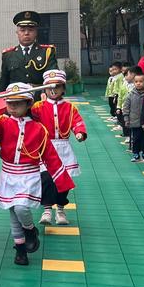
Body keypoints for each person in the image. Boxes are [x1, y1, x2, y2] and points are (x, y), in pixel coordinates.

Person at [0, 82, 74, 266]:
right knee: (13, 212)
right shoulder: (4, 123)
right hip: (8, 174)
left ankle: (30, 230)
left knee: (22, 208)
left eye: (18, 103)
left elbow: (50, 157)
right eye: (9, 103)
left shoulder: (39, 129)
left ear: (29, 104)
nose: (13, 107)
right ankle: (20, 250)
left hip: (28, 175)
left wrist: (62, 179)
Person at [31, 70, 87, 226]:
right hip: (45, 147)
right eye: (49, 87)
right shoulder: (38, 106)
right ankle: (47, 210)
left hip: (63, 147)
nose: (53, 90)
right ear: (44, 89)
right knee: (46, 179)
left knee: (64, 180)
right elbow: (29, 119)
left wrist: (80, 132)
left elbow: (77, 122)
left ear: (63, 88)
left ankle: (60, 210)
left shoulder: (70, 107)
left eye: (57, 87)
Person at [0, 11, 58, 97]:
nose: (26, 33)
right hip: (16, 102)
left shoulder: (46, 52)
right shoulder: (8, 55)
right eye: (22, 30)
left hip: (39, 100)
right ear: (17, 33)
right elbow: (3, 83)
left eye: (30, 30)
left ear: (36, 32)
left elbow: (53, 80)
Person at [123, 73, 144, 162]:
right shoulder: (131, 94)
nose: (138, 83)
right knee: (136, 139)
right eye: (136, 81)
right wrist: (126, 119)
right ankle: (136, 153)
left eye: (141, 81)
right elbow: (126, 107)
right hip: (134, 121)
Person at [116, 66, 143, 143]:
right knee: (125, 122)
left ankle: (134, 137)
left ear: (134, 75)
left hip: (135, 109)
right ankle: (128, 135)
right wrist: (118, 107)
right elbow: (120, 96)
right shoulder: (124, 84)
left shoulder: (138, 86)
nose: (126, 77)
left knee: (135, 123)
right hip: (125, 107)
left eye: (127, 75)